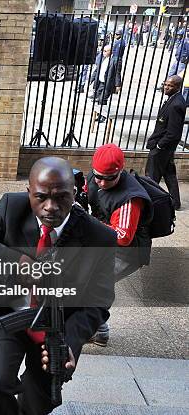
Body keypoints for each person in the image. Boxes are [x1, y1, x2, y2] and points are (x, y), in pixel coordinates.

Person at [0, 157, 116, 415]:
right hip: (6, 314)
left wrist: (70, 345)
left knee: (39, 399)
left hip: (58, 328)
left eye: (61, 197)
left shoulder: (100, 237)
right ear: (29, 193)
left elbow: (98, 301)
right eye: (41, 197)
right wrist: (15, 260)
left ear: (74, 193)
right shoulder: (12, 207)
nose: (50, 207)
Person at [86, 144, 154, 346]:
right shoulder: (95, 178)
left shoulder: (130, 198)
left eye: (108, 178)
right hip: (104, 242)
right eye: (98, 176)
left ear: (120, 172)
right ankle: (96, 328)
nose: (101, 182)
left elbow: (123, 236)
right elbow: (88, 192)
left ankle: (99, 330)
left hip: (127, 251)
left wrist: (89, 224)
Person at [146, 75, 186, 210]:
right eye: (165, 84)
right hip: (165, 147)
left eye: (170, 85)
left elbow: (173, 132)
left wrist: (159, 145)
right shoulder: (173, 99)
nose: (166, 87)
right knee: (169, 175)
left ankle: (149, 203)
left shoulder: (176, 104)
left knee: (152, 177)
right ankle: (175, 202)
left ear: (177, 87)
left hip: (163, 147)